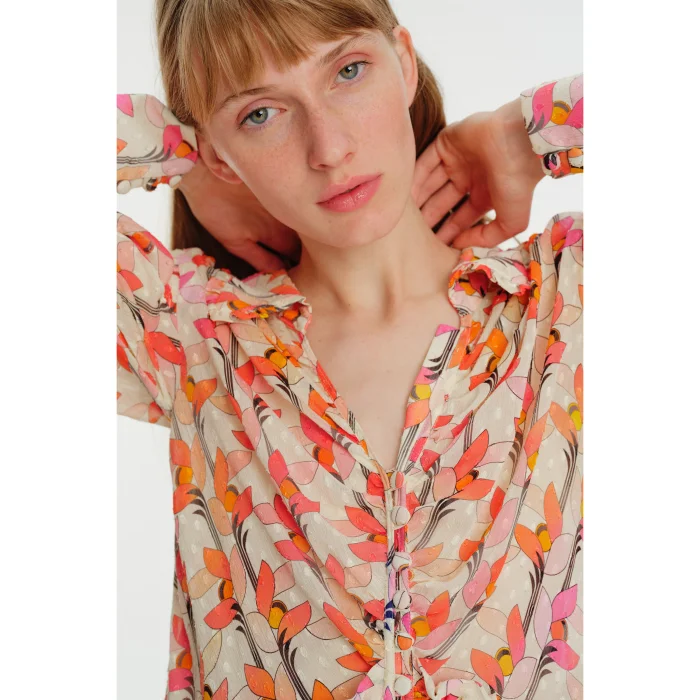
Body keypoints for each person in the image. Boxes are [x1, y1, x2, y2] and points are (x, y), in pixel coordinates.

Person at [117, 1, 583, 698]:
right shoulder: (188, 333)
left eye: (349, 71)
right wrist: (181, 154)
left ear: (404, 62)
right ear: (220, 152)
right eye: (260, 114)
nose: (328, 148)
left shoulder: (560, 300)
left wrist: (526, 133)